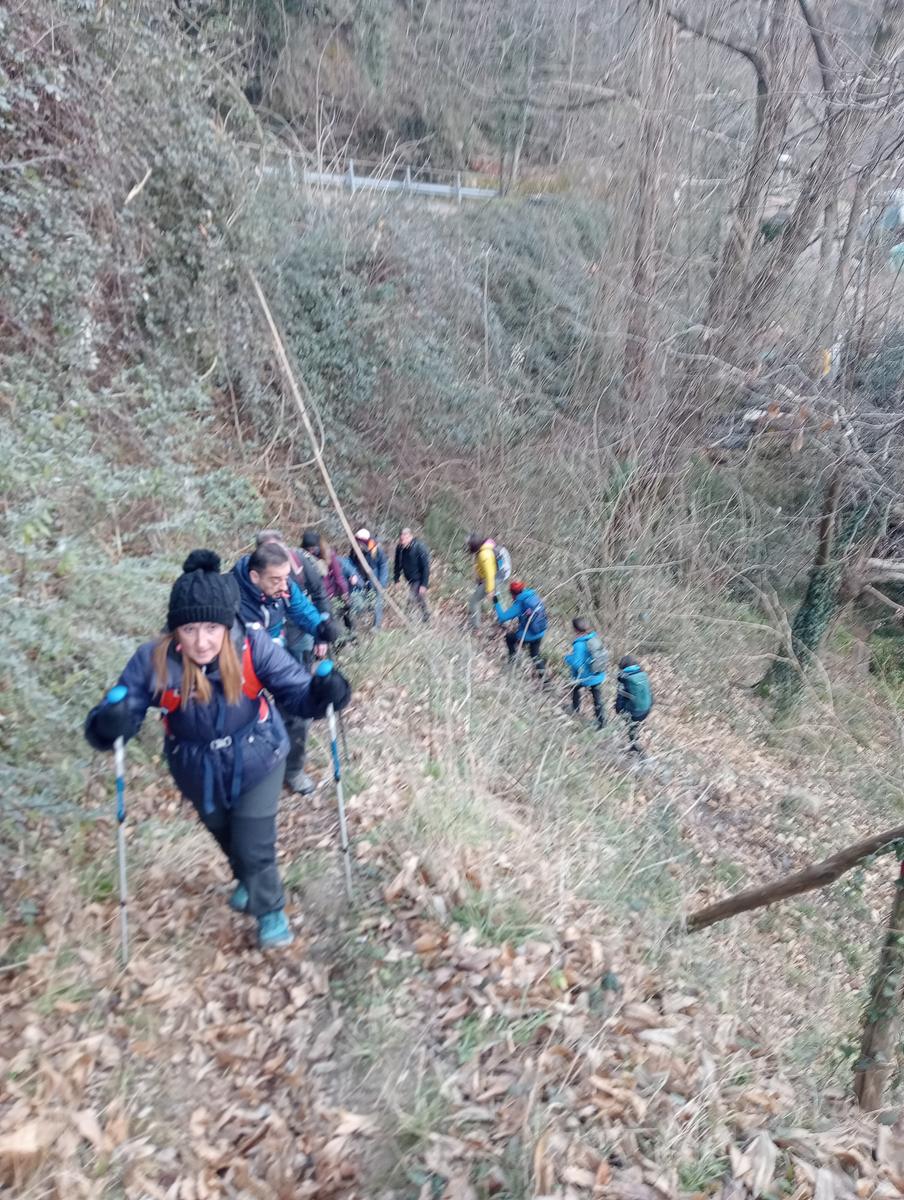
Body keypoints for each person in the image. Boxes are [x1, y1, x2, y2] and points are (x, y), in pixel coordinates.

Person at [84, 550, 351, 950]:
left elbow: (297, 691)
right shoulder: (153, 661)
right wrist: (111, 722)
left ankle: (270, 910)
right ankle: (247, 879)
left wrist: (324, 692)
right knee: (225, 834)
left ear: (227, 625)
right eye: (190, 629)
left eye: (212, 627)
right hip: (195, 767)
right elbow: (118, 716)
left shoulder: (252, 646)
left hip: (260, 754)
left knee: (253, 840)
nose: (202, 640)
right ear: (175, 630)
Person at [232, 541, 336, 795]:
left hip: (276, 656)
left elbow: (300, 609)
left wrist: (319, 628)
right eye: (275, 580)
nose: (283, 585)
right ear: (255, 576)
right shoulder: (230, 594)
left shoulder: (284, 586)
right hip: (240, 662)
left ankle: (293, 770)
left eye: (286, 578)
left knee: (299, 708)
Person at [302, 529, 355, 641]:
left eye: (313, 549)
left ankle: (351, 639)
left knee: (345, 617)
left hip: (332, 595)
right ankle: (337, 643)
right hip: (316, 597)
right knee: (328, 622)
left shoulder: (328, 554)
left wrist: (345, 593)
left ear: (318, 546)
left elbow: (338, 577)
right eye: (308, 549)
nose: (311, 552)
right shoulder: (303, 557)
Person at [493, 579, 547, 675]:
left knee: (509, 638)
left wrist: (496, 602)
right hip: (540, 632)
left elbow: (502, 617)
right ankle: (546, 682)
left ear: (512, 594)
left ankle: (513, 662)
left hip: (529, 634)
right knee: (535, 655)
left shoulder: (520, 604)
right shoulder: (533, 596)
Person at [565, 617, 608, 729]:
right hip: (598, 674)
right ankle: (602, 722)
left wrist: (567, 658)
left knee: (575, 687)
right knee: (597, 698)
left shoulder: (578, 644)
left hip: (585, 676)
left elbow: (577, 664)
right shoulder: (594, 637)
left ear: (575, 630)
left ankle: (575, 710)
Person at [614, 655, 654, 752]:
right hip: (647, 708)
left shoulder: (625, 679)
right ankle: (634, 742)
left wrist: (618, 709)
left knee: (628, 719)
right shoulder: (642, 674)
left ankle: (634, 745)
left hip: (636, 712)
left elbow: (620, 697)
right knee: (633, 723)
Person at [352, 528, 389, 630]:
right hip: (361, 580)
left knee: (377, 603)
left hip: (375, 580)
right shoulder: (355, 549)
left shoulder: (376, 549)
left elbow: (383, 565)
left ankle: (376, 627)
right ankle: (359, 623)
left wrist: (381, 583)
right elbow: (352, 562)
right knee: (360, 601)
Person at [393, 527, 430, 622]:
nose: (402, 542)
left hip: (418, 577)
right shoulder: (399, 548)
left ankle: (407, 619)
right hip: (409, 577)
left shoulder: (419, 548)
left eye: (404, 539)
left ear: (410, 537)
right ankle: (426, 617)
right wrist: (396, 579)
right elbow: (397, 564)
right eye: (401, 539)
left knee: (412, 597)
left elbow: (426, 567)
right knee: (420, 597)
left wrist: (424, 585)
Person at [466, 532, 498, 630]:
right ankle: (503, 621)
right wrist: (479, 577)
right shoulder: (483, 549)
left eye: (469, 544)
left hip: (491, 581)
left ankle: (475, 627)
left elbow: (490, 574)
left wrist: (490, 590)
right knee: (497, 602)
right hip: (492, 580)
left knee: (474, 601)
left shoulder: (484, 554)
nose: (467, 546)